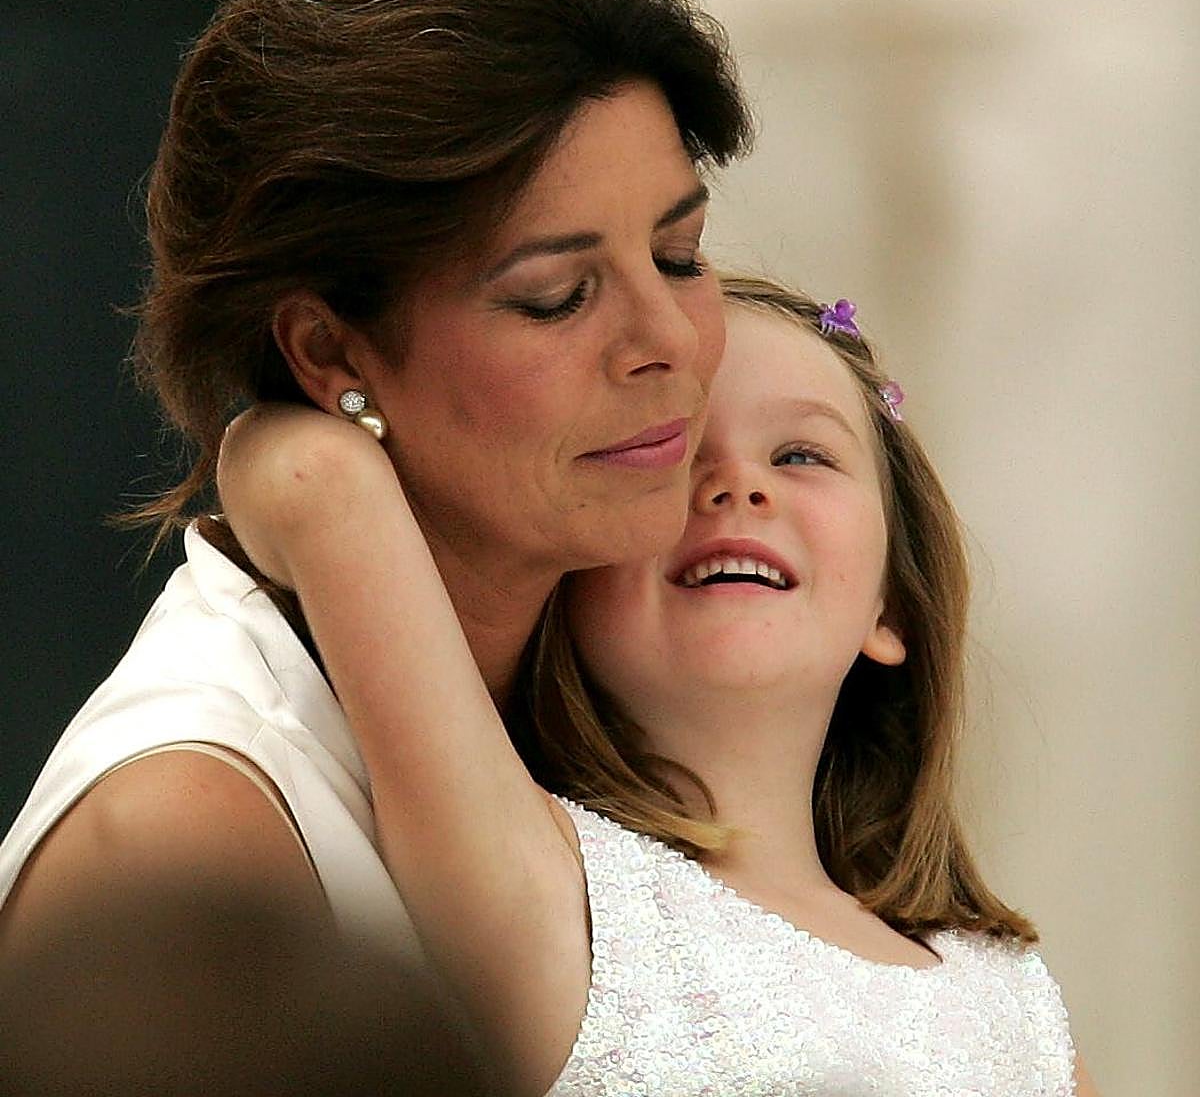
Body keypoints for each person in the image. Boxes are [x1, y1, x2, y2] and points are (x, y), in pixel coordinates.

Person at [0, 0, 750, 1055]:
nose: (667, 339)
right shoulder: (190, 837)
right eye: (557, 296)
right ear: (329, 350)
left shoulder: (654, 656)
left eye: (679, 255)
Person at [209, 276, 1100, 1095]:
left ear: (892, 606)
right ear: (570, 571)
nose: (734, 486)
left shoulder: (1017, 1004)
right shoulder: (535, 889)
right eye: (667, 461)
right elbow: (312, 473)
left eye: (800, 455)